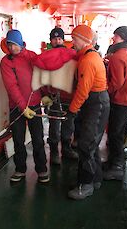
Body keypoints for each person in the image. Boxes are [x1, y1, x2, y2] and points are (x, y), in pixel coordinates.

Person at [0, 29, 49, 183]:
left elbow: (40, 77)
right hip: (17, 108)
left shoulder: (32, 56)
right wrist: (23, 107)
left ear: (21, 43)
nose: (12, 48)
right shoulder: (6, 62)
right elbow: (12, 87)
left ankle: (42, 170)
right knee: (18, 140)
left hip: (34, 105)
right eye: (9, 45)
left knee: (38, 139)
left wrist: (45, 94)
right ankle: (20, 169)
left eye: (14, 44)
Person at [67, 25, 110, 200]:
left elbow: (82, 91)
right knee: (91, 143)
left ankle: (86, 185)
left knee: (86, 145)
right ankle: (96, 179)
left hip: (96, 104)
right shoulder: (90, 56)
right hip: (97, 102)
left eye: (75, 39)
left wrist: (72, 110)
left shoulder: (88, 60)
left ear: (85, 40)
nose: (73, 42)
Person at [103, 26, 127, 180]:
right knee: (118, 132)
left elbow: (116, 83)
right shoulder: (125, 54)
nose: (113, 39)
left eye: (115, 36)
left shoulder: (117, 57)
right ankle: (113, 162)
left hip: (120, 100)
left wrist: (104, 92)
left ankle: (116, 167)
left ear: (122, 38)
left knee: (114, 134)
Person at [43, 27, 78, 165]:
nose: (57, 41)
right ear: (50, 40)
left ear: (63, 40)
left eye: (59, 38)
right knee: (54, 126)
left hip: (69, 96)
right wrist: (45, 95)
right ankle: (54, 153)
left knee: (68, 125)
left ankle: (66, 149)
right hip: (53, 97)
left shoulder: (72, 54)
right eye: (54, 38)